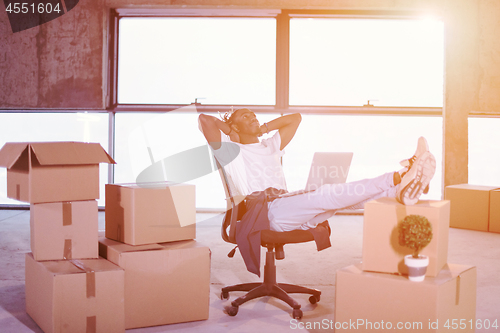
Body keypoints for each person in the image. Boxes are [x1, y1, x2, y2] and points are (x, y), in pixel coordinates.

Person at [198, 108, 436, 233]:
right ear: (234, 125)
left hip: (285, 207)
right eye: (244, 115)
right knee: (328, 194)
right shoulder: (231, 150)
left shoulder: (270, 145)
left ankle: (399, 190)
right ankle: (400, 176)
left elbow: (295, 118)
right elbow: (205, 120)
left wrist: (263, 129)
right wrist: (229, 130)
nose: (252, 116)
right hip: (265, 211)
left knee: (342, 201)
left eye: (253, 113)